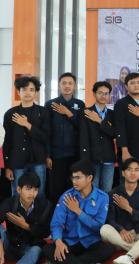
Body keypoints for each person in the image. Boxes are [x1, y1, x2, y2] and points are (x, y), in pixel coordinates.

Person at [41, 160, 113, 264]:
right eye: (73, 178)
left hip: (91, 241)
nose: (74, 181)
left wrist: (78, 211)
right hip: (70, 241)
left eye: (78, 178)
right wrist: (58, 242)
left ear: (90, 178)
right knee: (47, 248)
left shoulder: (102, 197)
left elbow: (98, 227)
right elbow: (56, 223)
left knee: (107, 251)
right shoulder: (66, 196)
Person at [100, 157, 139, 264]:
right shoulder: (114, 193)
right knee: (104, 229)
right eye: (129, 169)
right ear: (123, 173)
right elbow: (109, 219)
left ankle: (128, 257)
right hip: (119, 235)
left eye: (136, 170)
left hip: (138, 233)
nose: (133, 173)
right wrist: (121, 230)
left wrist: (128, 208)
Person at [3, 76, 50, 199]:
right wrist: (7, 167)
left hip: (38, 160)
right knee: (17, 194)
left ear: (36, 92)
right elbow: (7, 141)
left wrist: (27, 125)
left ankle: (37, 213)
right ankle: (18, 213)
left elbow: (45, 137)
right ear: (18, 92)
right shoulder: (10, 114)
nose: (28, 92)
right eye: (24, 89)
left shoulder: (43, 112)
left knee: (39, 194)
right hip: (17, 162)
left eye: (31, 89)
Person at [45, 72, 85, 207]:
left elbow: (83, 128)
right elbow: (47, 132)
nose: (67, 86)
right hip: (57, 154)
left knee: (74, 188)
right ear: (59, 86)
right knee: (56, 189)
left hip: (75, 154)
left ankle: (72, 216)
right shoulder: (50, 104)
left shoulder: (80, 104)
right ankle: (53, 217)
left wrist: (68, 113)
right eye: (64, 83)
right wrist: (48, 154)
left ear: (75, 86)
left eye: (70, 83)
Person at [0, 172, 52, 264]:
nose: (32, 193)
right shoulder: (9, 203)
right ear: (19, 189)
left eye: (35, 189)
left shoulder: (45, 206)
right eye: (28, 189)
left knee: (36, 251)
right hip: (9, 244)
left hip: (29, 247)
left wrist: (25, 226)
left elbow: (46, 233)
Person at [79, 81, 116, 193]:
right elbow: (83, 139)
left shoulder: (112, 114)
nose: (103, 96)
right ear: (94, 94)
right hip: (92, 160)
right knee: (92, 191)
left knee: (107, 191)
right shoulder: (86, 112)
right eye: (100, 93)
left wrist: (100, 121)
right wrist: (85, 162)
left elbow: (114, 133)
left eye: (106, 93)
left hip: (108, 159)